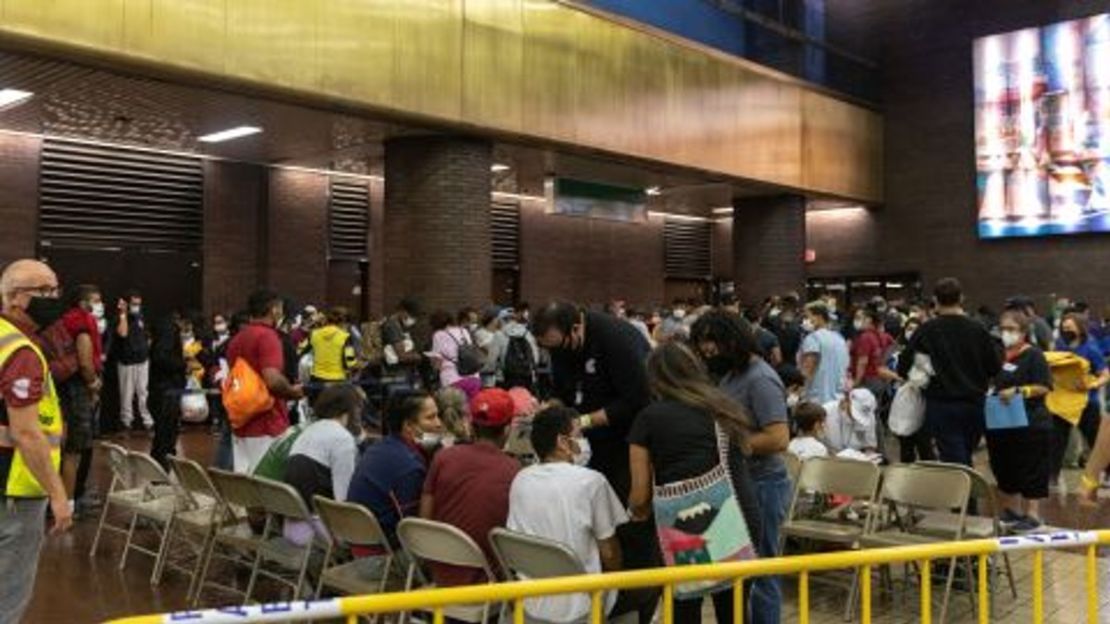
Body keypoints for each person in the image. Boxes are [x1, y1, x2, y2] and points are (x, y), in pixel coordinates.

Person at [628, 342, 761, 624]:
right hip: (737, 517)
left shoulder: (649, 418)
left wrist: (634, 513)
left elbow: (640, 496)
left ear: (655, 379)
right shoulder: (725, 408)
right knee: (734, 613)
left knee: (684, 609)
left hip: (685, 530)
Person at [531, 302, 654, 580]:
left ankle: (637, 586)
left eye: (557, 346)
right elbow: (561, 388)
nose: (554, 353)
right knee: (595, 515)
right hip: (585, 443)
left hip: (626, 442)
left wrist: (583, 421)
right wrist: (552, 408)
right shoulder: (561, 347)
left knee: (626, 521)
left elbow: (637, 400)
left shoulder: (617, 339)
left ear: (576, 327)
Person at [690, 310, 789, 624]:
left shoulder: (760, 379)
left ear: (733, 341)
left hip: (763, 484)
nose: (708, 350)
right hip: (741, 481)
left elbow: (778, 438)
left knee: (762, 571)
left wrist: (730, 445)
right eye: (702, 344)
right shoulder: (731, 374)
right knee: (741, 571)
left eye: (712, 343)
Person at [0, 260, 73, 623]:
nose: (53, 298)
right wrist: (59, 495)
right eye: (43, 291)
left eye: (55, 289)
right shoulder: (21, 352)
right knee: (8, 597)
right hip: (16, 488)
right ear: (14, 299)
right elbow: (27, 433)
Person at [506, 406, 628, 624]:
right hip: (582, 606)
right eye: (579, 435)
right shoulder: (592, 482)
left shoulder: (520, 480)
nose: (583, 442)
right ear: (563, 442)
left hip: (530, 605)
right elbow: (609, 552)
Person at [896, 278, 1002, 466]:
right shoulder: (978, 329)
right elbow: (994, 367)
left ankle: (964, 492)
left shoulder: (927, 330)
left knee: (954, 456)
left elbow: (902, 366)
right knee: (964, 452)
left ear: (935, 300)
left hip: (941, 404)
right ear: (962, 298)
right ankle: (966, 491)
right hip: (975, 403)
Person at [420, 388, 520, 587]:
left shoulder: (443, 457)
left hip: (438, 574)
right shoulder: (514, 470)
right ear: (508, 429)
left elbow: (424, 519)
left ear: (472, 425)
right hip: (485, 582)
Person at [986, 310, 1053, 533]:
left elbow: (1044, 386)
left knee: (1031, 467)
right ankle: (1011, 512)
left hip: (1030, 422)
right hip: (1001, 423)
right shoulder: (998, 355)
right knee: (1004, 466)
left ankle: (1032, 515)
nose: (1006, 333)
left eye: (1012, 329)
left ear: (1023, 332)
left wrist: (1019, 390)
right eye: (1003, 328)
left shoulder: (1034, 355)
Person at [347, 390, 443, 543]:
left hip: (357, 537)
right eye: (430, 418)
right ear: (409, 426)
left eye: (438, 416)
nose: (439, 424)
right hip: (382, 552)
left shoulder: (379, 447)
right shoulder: (410, 467)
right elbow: (416, 531)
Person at [225, 290, 304, 473]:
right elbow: (272, 379)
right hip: (267, 422)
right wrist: (293, 391)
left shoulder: (237, 339)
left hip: (241, 421)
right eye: (280, 308)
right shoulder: (268, 336)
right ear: (274, 310)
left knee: (245, 484)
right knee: (266, 484)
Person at [283, 384, 362, 545]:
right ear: (350, 410)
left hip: (292, 527)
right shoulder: (342, 439)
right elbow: (343, 501)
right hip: (319, 533)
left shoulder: (309, 431)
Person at [58, 285, 104, 516]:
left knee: (68, 448)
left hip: (66, 388)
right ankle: (69, 505)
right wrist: (94, 383)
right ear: (83, 302)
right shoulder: (82, 324)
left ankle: (67, 499)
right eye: (96, 301)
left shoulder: (64, 320)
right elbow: (85, 362)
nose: (100, 305)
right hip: (78, 388)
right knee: (74, 450)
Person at [1050, 313, 1109, 486]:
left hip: (1086, 403)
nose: (1066, 330)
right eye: (1064, 327)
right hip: (1063, 402)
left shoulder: (1091, 348)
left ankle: (1107, 473)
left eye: (1070, 327)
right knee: (1056, 440)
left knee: (1096, 440)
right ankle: (1051, 476)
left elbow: (1105, 375)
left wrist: (1091, 385)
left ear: (1080, 328)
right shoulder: (1060, 345)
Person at [148, 316, 187, 469]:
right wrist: (182, 365)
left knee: (162, 437)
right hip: (167, 392)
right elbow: (163, 358)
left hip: (160, 391)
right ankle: (161, 474)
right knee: (166, 438)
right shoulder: (168, 334)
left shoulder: (161, 335)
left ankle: (159, 472)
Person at [115, 289, 152, 432]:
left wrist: (146, 348)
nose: (137, 306)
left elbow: (147, 335)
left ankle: (148, 422)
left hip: (142, 360)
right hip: (127, 361)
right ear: (127, 303)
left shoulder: (141, 317)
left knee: (143, 392)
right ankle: (126, 422)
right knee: (127, 393)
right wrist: (123, 313)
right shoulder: (121, 317)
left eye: (139, 304)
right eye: (134, 304)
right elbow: (123, 333)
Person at [799, 301, 850, 404]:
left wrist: (800, 391)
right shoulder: (839, 338)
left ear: (818, 317)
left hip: (818, 398)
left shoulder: (813, 338)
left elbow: (808, 369)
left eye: (807, 316)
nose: (804, 320)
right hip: (838, 398)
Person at [307, 307, 359, 399]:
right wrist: (361, 365)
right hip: (337, 383)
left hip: (316, 382)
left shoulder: (314, 334)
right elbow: (350, 362)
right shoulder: (345, 337)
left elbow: (303, 351)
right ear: (344, 323)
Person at [429, 310, 482, 399]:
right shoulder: (464, 331)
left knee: (455, 410)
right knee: (472, 409)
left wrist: (432, 363)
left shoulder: (438, 335)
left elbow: (437, 364)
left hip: (452, 380)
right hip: (474, 378)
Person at [851, 307, 898, 397]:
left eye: (862, 318)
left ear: (869, 320)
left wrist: (856, 382)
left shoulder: (865, 337)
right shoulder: (882, 336)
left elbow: (863, 362)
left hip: (866, 381)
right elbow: (894, 349)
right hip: (879, 379)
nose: (860, 321)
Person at [821, 388, 880, 455]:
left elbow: (870, 446)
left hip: (856, 458)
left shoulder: (870, 417)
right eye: (853, 413)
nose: (855, 419)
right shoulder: (826, 412)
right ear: (846, 401)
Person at [500, 309, 539, 392]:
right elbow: (535, 356)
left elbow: (492, 360)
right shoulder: (527, 333)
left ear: (502, 320)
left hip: (508, 377)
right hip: (527, 375)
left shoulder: (499, 334)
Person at [474, 306, 509, 388]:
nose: (503, 321)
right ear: (493, 319)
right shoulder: (480, 333)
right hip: (487, 376)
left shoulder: (501, 333)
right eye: (501, 318)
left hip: (501, 375)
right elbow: (491, 351)